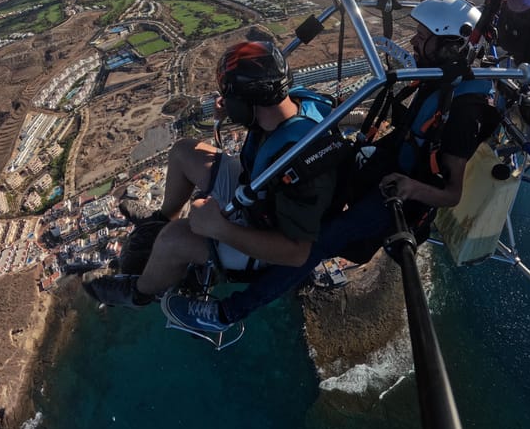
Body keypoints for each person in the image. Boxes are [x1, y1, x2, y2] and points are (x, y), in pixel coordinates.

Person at [158, 0, 499, 333]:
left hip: (397, 196)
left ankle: (226, 314)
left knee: (316, 245)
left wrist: (411, 188)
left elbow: (452, 193)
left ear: (452, 47)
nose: (414, 41)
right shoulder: (442, 78)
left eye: (424, 38)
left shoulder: (464, 114)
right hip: (384, 166)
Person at [83, 40, 340, 321]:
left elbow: (297, 254)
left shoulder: (299, 162)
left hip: (271, 241)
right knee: (183, 152)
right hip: (260, 193)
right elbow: (268, 124)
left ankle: (138, 292)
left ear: (249, 101)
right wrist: (234, 112)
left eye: (230, 98)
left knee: (173, 240)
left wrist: (220, 229)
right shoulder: (296, 102)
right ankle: (159, 221)